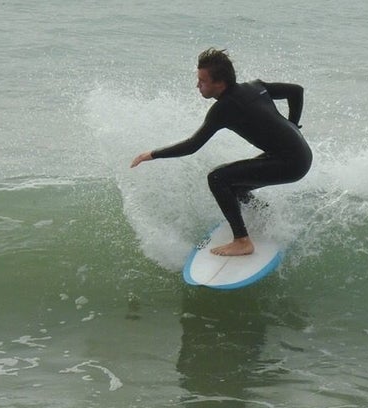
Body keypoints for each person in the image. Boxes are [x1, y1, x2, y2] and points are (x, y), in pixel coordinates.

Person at [130, 48, 312, 256]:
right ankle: (264, 216)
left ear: (219, 83)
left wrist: (151, 154)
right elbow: (296, 91)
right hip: (300, 153)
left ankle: (242, 241)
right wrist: (293, 126)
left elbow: (192, 145)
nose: (197, 85)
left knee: (217, 178)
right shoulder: (255, 86)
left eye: (202, 81)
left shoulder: (224, 108)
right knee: (235, 185)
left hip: (290, 163)